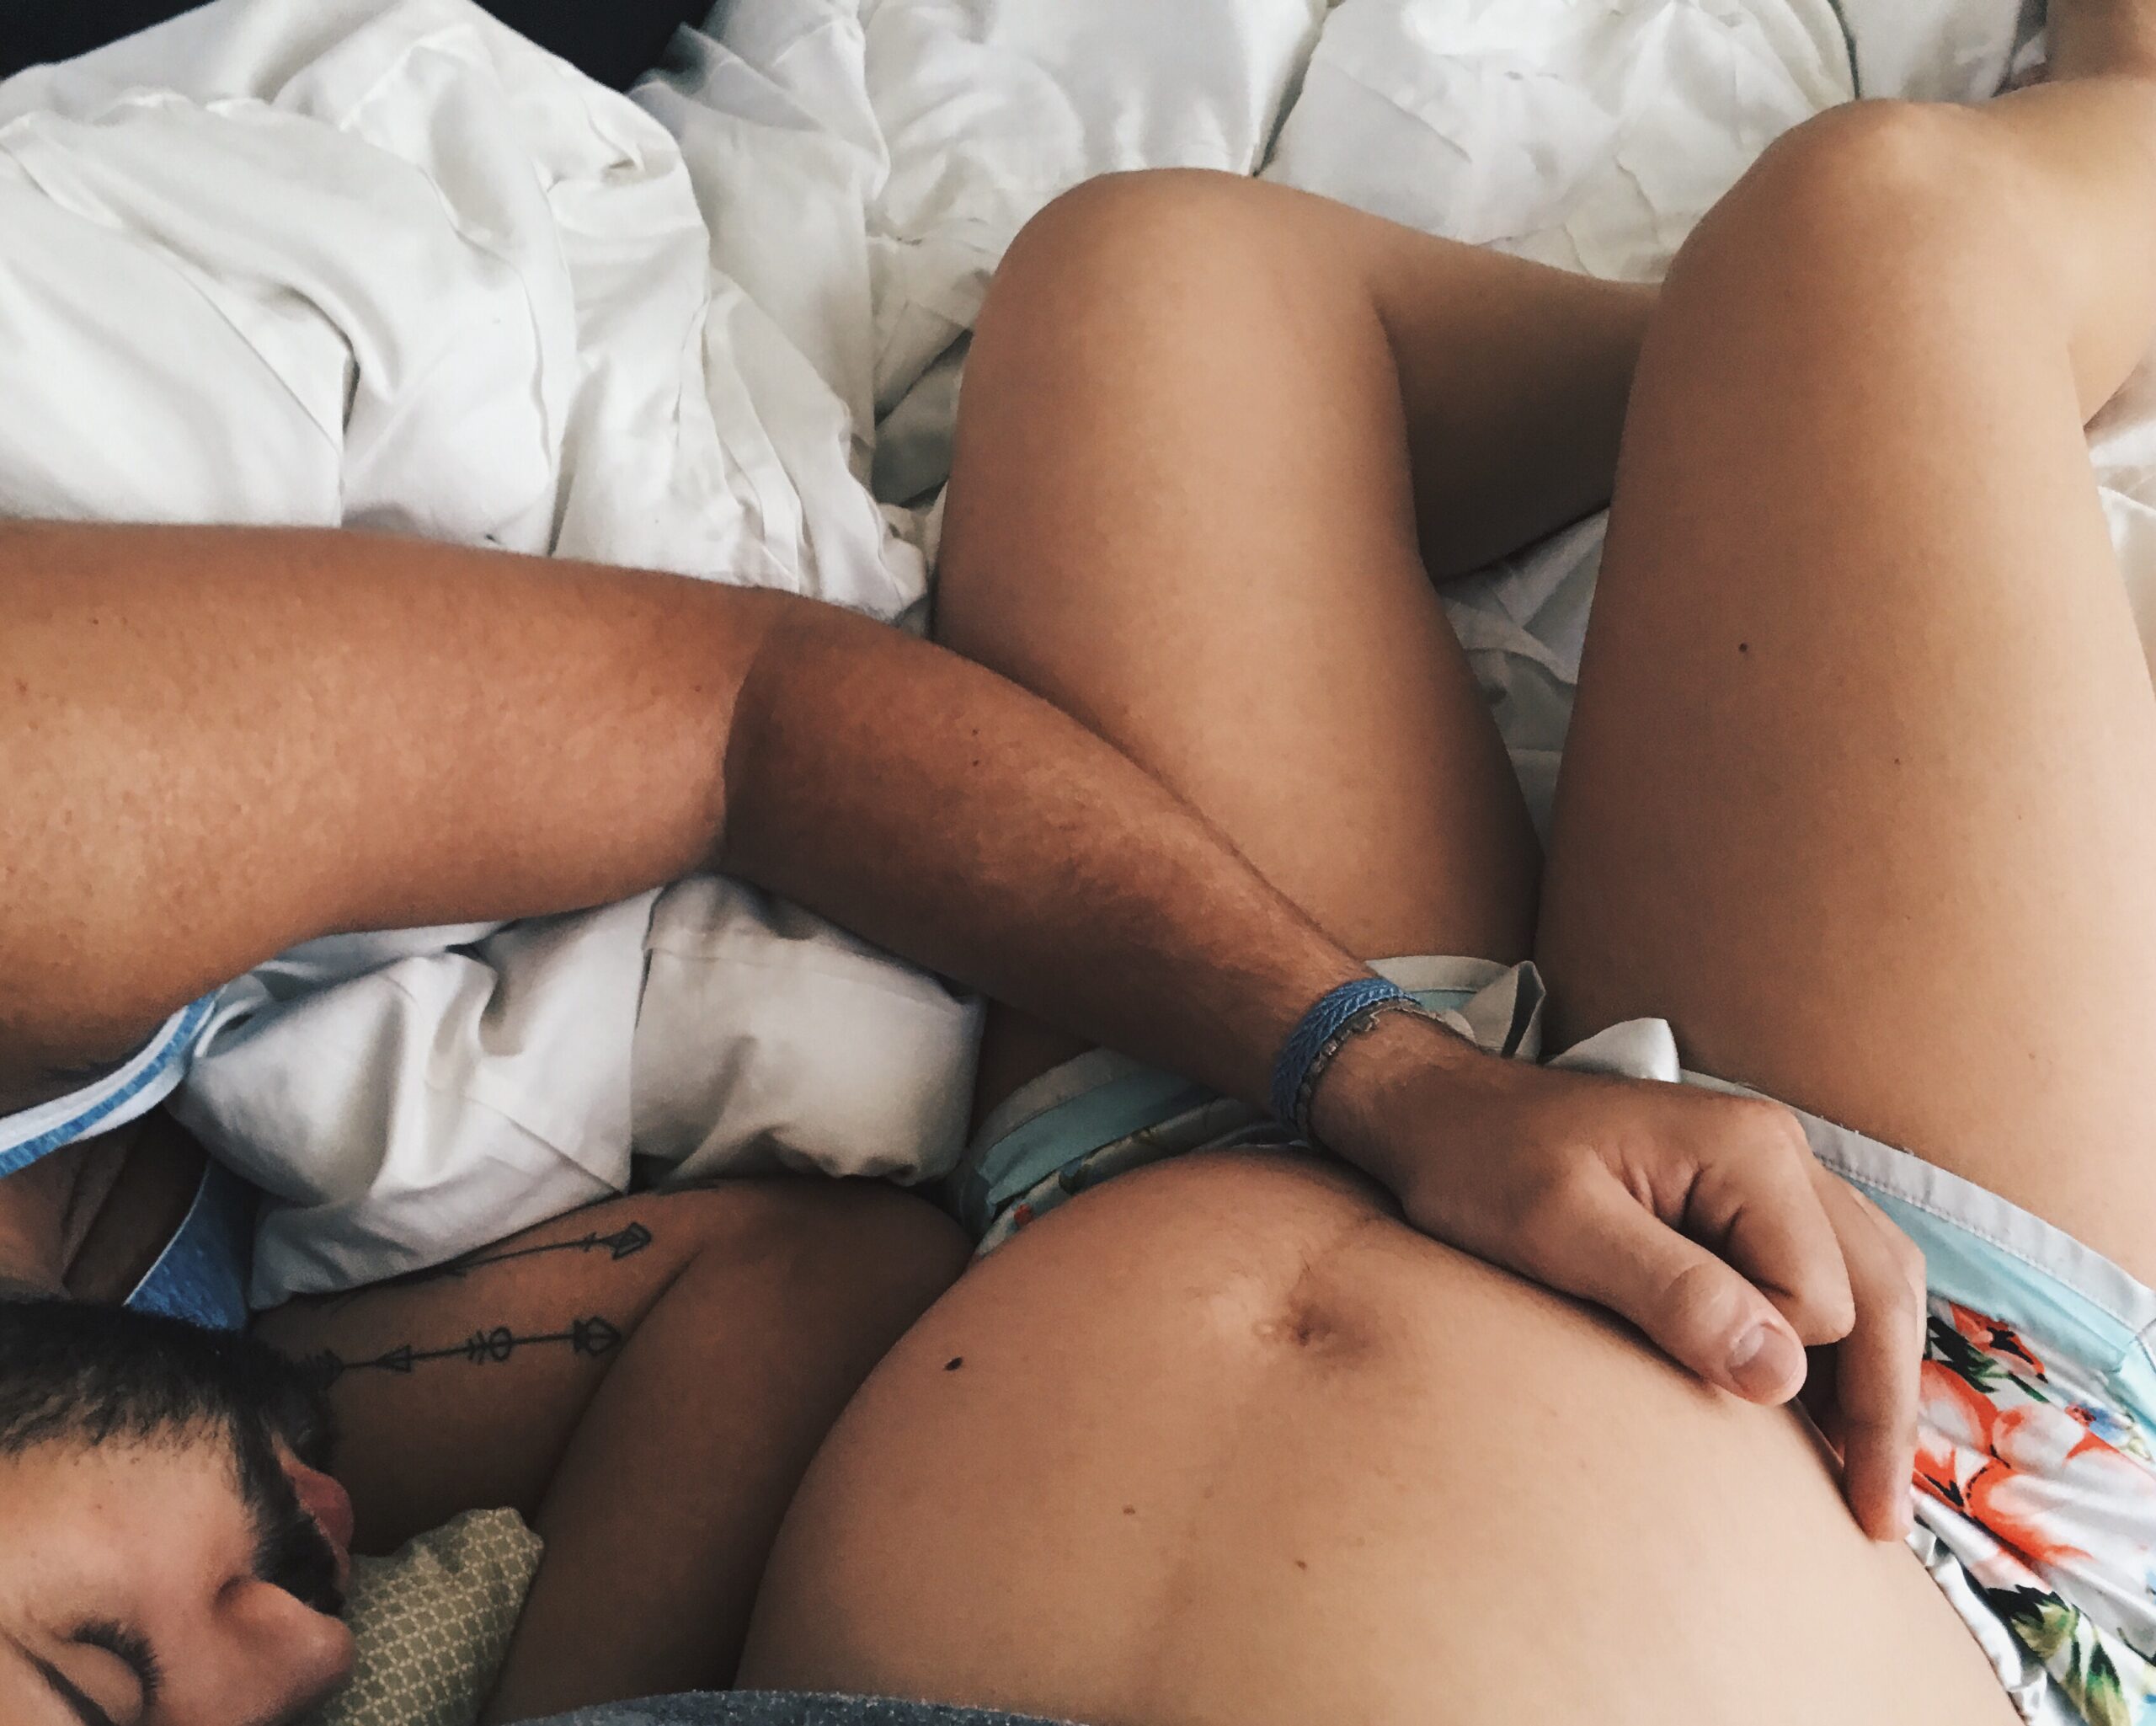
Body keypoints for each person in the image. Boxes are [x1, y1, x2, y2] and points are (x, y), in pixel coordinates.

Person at [728, 4, 2156, 1724]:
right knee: (1880, 232)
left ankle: (1759, 388)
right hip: (1888, 1409)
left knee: (1155, 286)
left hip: (1229, 1105)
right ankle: (1978, 262)